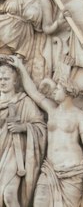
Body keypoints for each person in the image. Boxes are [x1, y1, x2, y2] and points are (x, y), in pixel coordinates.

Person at [7, 56, 83, 207]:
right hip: (50, 168)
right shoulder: (51, 110)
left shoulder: (80, 116)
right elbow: (33, 92)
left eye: (58, 89)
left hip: (72, 172)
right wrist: (20, 67)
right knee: (39, 202)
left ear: (68, 91)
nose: (53, 92)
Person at [0, 58, 45, 207]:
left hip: (14, 152)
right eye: (0, 78)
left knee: (9, 194)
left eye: (6, 78)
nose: (2, 82)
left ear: (15, 81)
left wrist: (24, 127)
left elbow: (40, 126)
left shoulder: (24, 101)